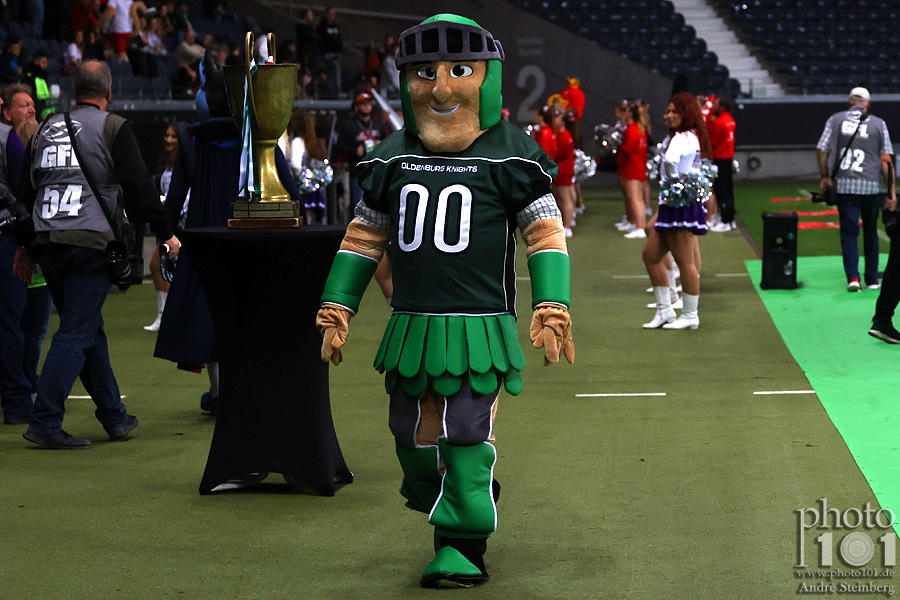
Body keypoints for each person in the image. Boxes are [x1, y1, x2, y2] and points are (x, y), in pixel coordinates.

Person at [316, 14, 573, 588]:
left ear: (488, 78)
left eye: (459, 70)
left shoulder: (511, 156)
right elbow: (363, 238)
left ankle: (461, 545)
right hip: (412, 328)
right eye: (425, 73)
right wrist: (338, 304)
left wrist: (552, 303)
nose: (440, 88)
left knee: (464, 433)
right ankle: (468, 492)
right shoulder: (391, 158)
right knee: (410, 438)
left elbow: (545, 234)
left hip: (479, 328)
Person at [12, 60, 181, 449]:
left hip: (47, 241)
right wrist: (166, 232)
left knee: (87, 329)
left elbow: (26, 191)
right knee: (76, 330)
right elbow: (139, 186)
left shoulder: (44, 128)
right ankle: (45, 420)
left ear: (74, 91)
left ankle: (113, 416)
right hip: (89, 242)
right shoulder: (112, 127)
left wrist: (24, 247)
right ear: (108, 92)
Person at [642, 92, 713, 330]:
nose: (669, 115)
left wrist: (674, 183)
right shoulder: (689, 136)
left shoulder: (682, 137)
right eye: (668, 111)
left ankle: (690, 315)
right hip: (675, 204)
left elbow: (672, 161)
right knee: (651, 256)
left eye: (675, 111)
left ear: (686, 114)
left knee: (686, 263)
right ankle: (665, 310)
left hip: (678, 205)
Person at [817, 87, 894, 292]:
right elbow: (886, 160)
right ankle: (872, 279)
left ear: (850, 101)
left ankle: (853, 278)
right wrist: (891, 191)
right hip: (871, 187)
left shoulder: (835, 120)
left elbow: (822, 150)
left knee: (849, 232)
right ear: (868, 103)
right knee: (871, 232)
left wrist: (825, 176)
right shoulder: (879, 124)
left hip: (846, 186)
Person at [144, 122, 179, 332]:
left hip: (180, 225)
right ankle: (163, 315)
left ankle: (170, 317)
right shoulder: (166, 164)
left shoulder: (184, 162)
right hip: (170, 223)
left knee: (160, 265)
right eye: (166, 135)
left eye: (173, 136)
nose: (168, 139)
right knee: (156, 265)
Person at [335, 92, 387, 207]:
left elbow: (388, 143)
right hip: (358, 171)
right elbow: (340, 147)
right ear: (356, 106)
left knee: (377, 205)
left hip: (376, 171)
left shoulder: (378, 123)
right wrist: (355, 151)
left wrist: (381, 145)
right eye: (363, 104)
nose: (366, 106)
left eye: (368, 103)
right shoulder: (349, 125)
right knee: (359, 205)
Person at [617, 99, 649, 239]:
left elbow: (628, 149)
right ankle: (637, 224)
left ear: (631, 114)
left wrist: (618, 147)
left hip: (633, 167)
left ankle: (640, 227)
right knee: (634, 198)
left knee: (635, 199)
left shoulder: (632, 129)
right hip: (637, 165)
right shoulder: (638, 128)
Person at [708, 95, 737, 232]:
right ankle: (728, 217)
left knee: (721, 190)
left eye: (716, 104)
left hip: (720, 158)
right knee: (728, 189)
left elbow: (713, 142)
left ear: (722, 107)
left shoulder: (719, 122)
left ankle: (726, 220)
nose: (714, 106)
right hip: (728, 157)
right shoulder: (730, 120)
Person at [316, 7, 343, 98]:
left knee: (336, 76)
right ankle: (329, 95)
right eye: (330, 14)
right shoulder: (322, 26)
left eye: (333, 14)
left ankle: (337, 94)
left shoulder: (336, 26)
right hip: (326, 56)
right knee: (328, 77)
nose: (332, 16)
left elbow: (339, 40)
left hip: (335, 55)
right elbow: (321, 41)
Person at [20, 50, 53, 120]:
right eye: (43, 62)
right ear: (36, 61)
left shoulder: (42, 77)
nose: (46, 65)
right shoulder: (29, 77)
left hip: (45, 115)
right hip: (35, 114)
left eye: (47, 63)